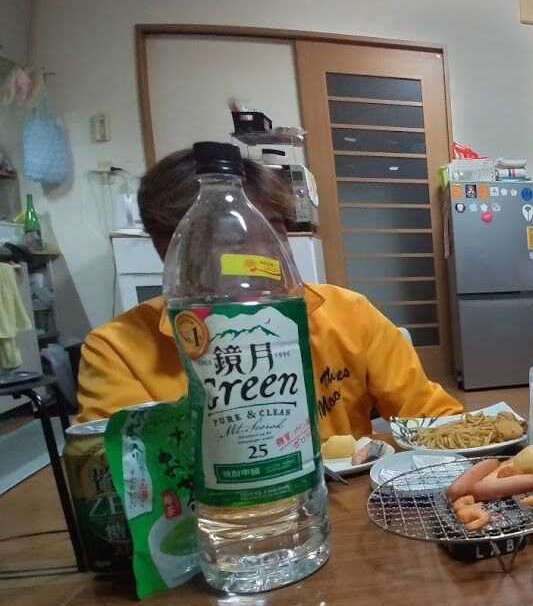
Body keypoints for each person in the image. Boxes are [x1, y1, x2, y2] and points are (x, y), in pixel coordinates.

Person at [76, 147, 461, 437]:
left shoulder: (348, 313)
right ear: (168, 246)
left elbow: (430, 416)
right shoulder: (117, 351)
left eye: (273, 227)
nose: (263, 251)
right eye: (232, 234)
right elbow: (125, 476)